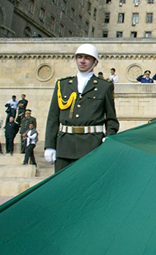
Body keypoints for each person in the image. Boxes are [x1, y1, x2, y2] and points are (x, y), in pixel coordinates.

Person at [44, 44, 119, 172]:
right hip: (65, 146)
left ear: (95, 62)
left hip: (92, 145)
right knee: (64, 187)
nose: (82, 61)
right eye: (79, 57)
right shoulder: (63, 85)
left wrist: (108, 138)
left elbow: (111, 119)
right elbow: (53, 117)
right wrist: (49, 145)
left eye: (87, 58)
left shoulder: (104, 86)